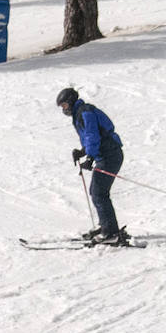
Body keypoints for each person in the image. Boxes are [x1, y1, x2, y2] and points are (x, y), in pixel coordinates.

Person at [57, 87, 127, 245]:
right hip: (107, 154)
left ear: (71, 101)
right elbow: (91, 137)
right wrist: (83, 152)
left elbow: (92, 135)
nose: (64, 109)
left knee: (99, 193)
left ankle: (110, 233)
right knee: (97, 192)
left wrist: (90, 157)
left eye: (65, 106)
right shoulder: (81, 112)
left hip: (110, 156)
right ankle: (106, 227)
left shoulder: (84, 113)